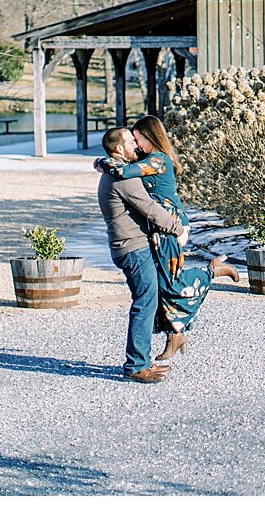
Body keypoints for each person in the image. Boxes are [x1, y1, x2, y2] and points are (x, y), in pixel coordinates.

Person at [95, 115, 239, 363]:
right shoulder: (146, 159)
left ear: (150, 137)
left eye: (138, 138)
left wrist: (100, 161)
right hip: (160, 228)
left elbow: (125, 171)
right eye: (133, 140)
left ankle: (211, 271)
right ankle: (176, 333)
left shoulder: (158, 160)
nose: (137, 145)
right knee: (164, 283)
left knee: (170, 283)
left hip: (170, 227)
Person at [97, 126, 189, 383]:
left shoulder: (115, 171)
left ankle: (143, 360)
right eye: (130, 142)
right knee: (144, 302)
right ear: (118, 149)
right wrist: (176, 228)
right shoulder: (121, 178)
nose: (136, 146)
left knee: (149, 299)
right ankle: (136, 366)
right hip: (132, 248)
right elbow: (149, 208)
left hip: (130, 245)